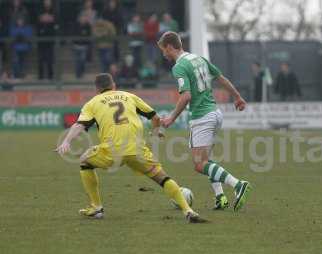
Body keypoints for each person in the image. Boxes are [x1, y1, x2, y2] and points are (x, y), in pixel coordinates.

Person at [55, 73, 207, 223]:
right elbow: (154, 117)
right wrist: (155, 132)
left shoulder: (92, 103)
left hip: (111, 151)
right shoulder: (129, 96)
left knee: (84, 161)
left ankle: (96, 208)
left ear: (96, 89)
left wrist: (67, 141)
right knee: (162, 178)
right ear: (114, 85)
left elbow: (79, 125)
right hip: (137, 150)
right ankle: (188, 210)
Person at [157, 31, 251, 211]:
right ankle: (220, 197)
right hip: (215, 114)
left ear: (169, 46)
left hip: (201, 117)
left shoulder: (179, 67)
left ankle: (238, 185)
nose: (164, 54)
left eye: (164, 50)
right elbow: (221, 78)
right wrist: (237, 97)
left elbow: (185, 96)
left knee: (200, 164)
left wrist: (171, 118)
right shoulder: (198, 58)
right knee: (207, 160)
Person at [37, 0, 57, 80]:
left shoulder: (54, 11)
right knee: (40, 59)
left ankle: (50, 76)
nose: (47, 3)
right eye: (46, 2)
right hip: (41, 39)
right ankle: (41, 76)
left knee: (50, 59)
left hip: (50, 39)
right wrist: (42, 19)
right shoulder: (40, 10)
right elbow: (38, 21)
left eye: (49, 2)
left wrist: (51, 20)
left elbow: (55, 23)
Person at [72, 14, 91, 78]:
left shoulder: (88, 26)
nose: (83, 19)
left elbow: (89, 36)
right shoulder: (75, 26)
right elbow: (73, 35)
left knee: (82, 60)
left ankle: (82, 73)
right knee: (77, 61)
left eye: (84, 18)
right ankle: (78, 75)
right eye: (82, 18)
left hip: (84, 46)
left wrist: (86, 43)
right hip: (76, 46)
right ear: (79, 19)